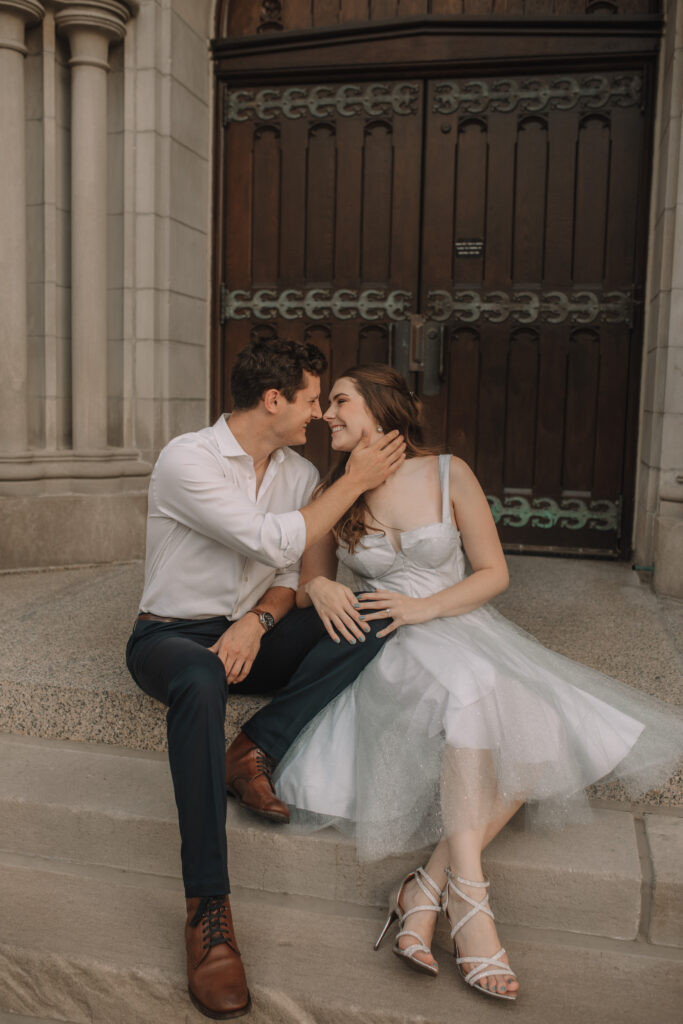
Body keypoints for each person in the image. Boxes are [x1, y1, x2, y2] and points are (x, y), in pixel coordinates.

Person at [274, 363, 683, 1003]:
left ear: (382, 408)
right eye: (326, 403)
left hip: (456, 621)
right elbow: (308, 582)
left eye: (341, 401)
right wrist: (322, 584)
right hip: (389, 645)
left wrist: (425, 607)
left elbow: (494, 574)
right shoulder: (338, 488)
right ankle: (473, 910)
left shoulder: (448, 472)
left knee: (533, 710)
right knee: (479, 694)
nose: (327, 413)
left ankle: (432, 886)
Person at [125, 340, 405, 1020]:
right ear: (273, 399)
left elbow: (288, 578)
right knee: (197, 680)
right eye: (312, 399)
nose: (317, 414)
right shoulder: (187, 458)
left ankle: (252, 746)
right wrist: (354, 480)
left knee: (369, 616)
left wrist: (256, 621)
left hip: (250, 628)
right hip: (169, 635)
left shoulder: (295, 471)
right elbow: (271, 541)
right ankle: (208, 911)